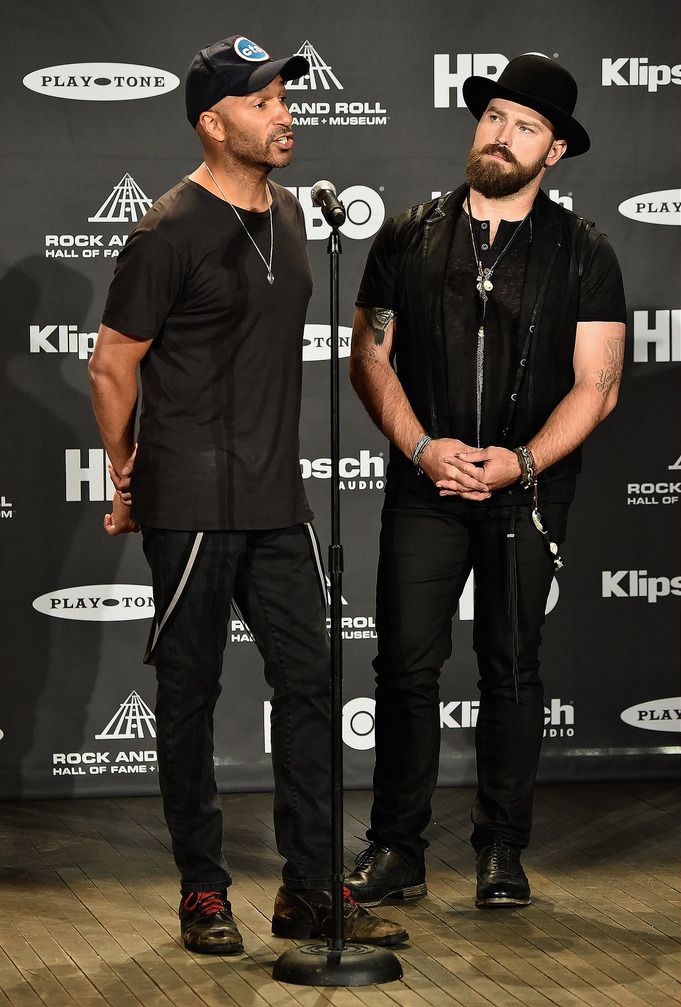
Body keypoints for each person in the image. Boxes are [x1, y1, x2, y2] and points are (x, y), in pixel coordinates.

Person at [88, 34, 406, 954]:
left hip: (279, 503)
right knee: (187, 695)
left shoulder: (297, 220)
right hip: (187, 497)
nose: (284, 113)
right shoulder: (166, 229)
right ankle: (202, 889)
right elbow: (113, 365)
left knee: (309, 687)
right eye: (262, 101)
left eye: (283, 98)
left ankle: (310, 889)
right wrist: (126, 469)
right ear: (212, 121)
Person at [346, 55, 626, 910]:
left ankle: (501, 851)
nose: (502, 135)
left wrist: (522, 461)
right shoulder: (405, 234)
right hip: (423, 483)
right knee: (404, 668)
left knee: (510, 669)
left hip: (526, 491)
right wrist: (425, 446)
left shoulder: (582, 251)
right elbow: (369, 354)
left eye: (526, 126)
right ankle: (396, 848)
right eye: (495, 115)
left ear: (555, 153)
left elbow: (598, 381)